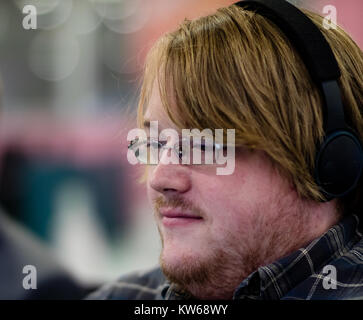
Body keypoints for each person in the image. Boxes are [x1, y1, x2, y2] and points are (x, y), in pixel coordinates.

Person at [88, 0, 363, 300]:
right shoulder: (121, 296)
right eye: (155, 143)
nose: (159, 179)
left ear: (325, 164)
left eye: (203, 145)